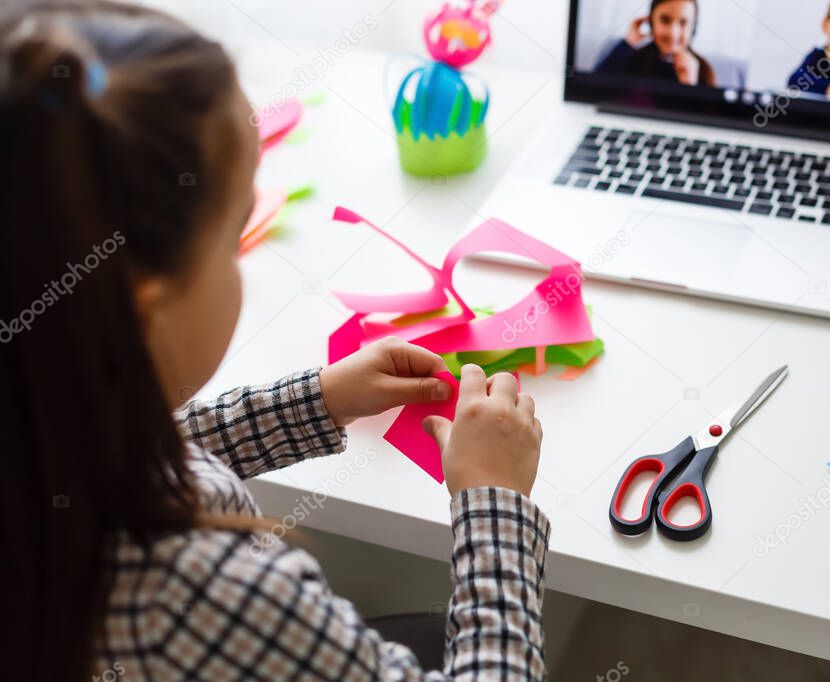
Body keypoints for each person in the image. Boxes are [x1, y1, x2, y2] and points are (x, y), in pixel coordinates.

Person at [0, 1, 548, 679]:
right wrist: (493, 500)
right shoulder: (194, 594)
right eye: (233, 239)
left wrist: (313, 402)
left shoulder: (39, 417)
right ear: (148, 309)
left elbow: (130, 455)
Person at [596, 0, 717, 88]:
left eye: (683, 23)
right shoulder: (632, 59)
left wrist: (690, 86)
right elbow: (594, 89)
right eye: (665, 20)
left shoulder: (704, 70)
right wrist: (628, 43)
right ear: (651, 23)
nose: (672, 33)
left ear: (693, 28)